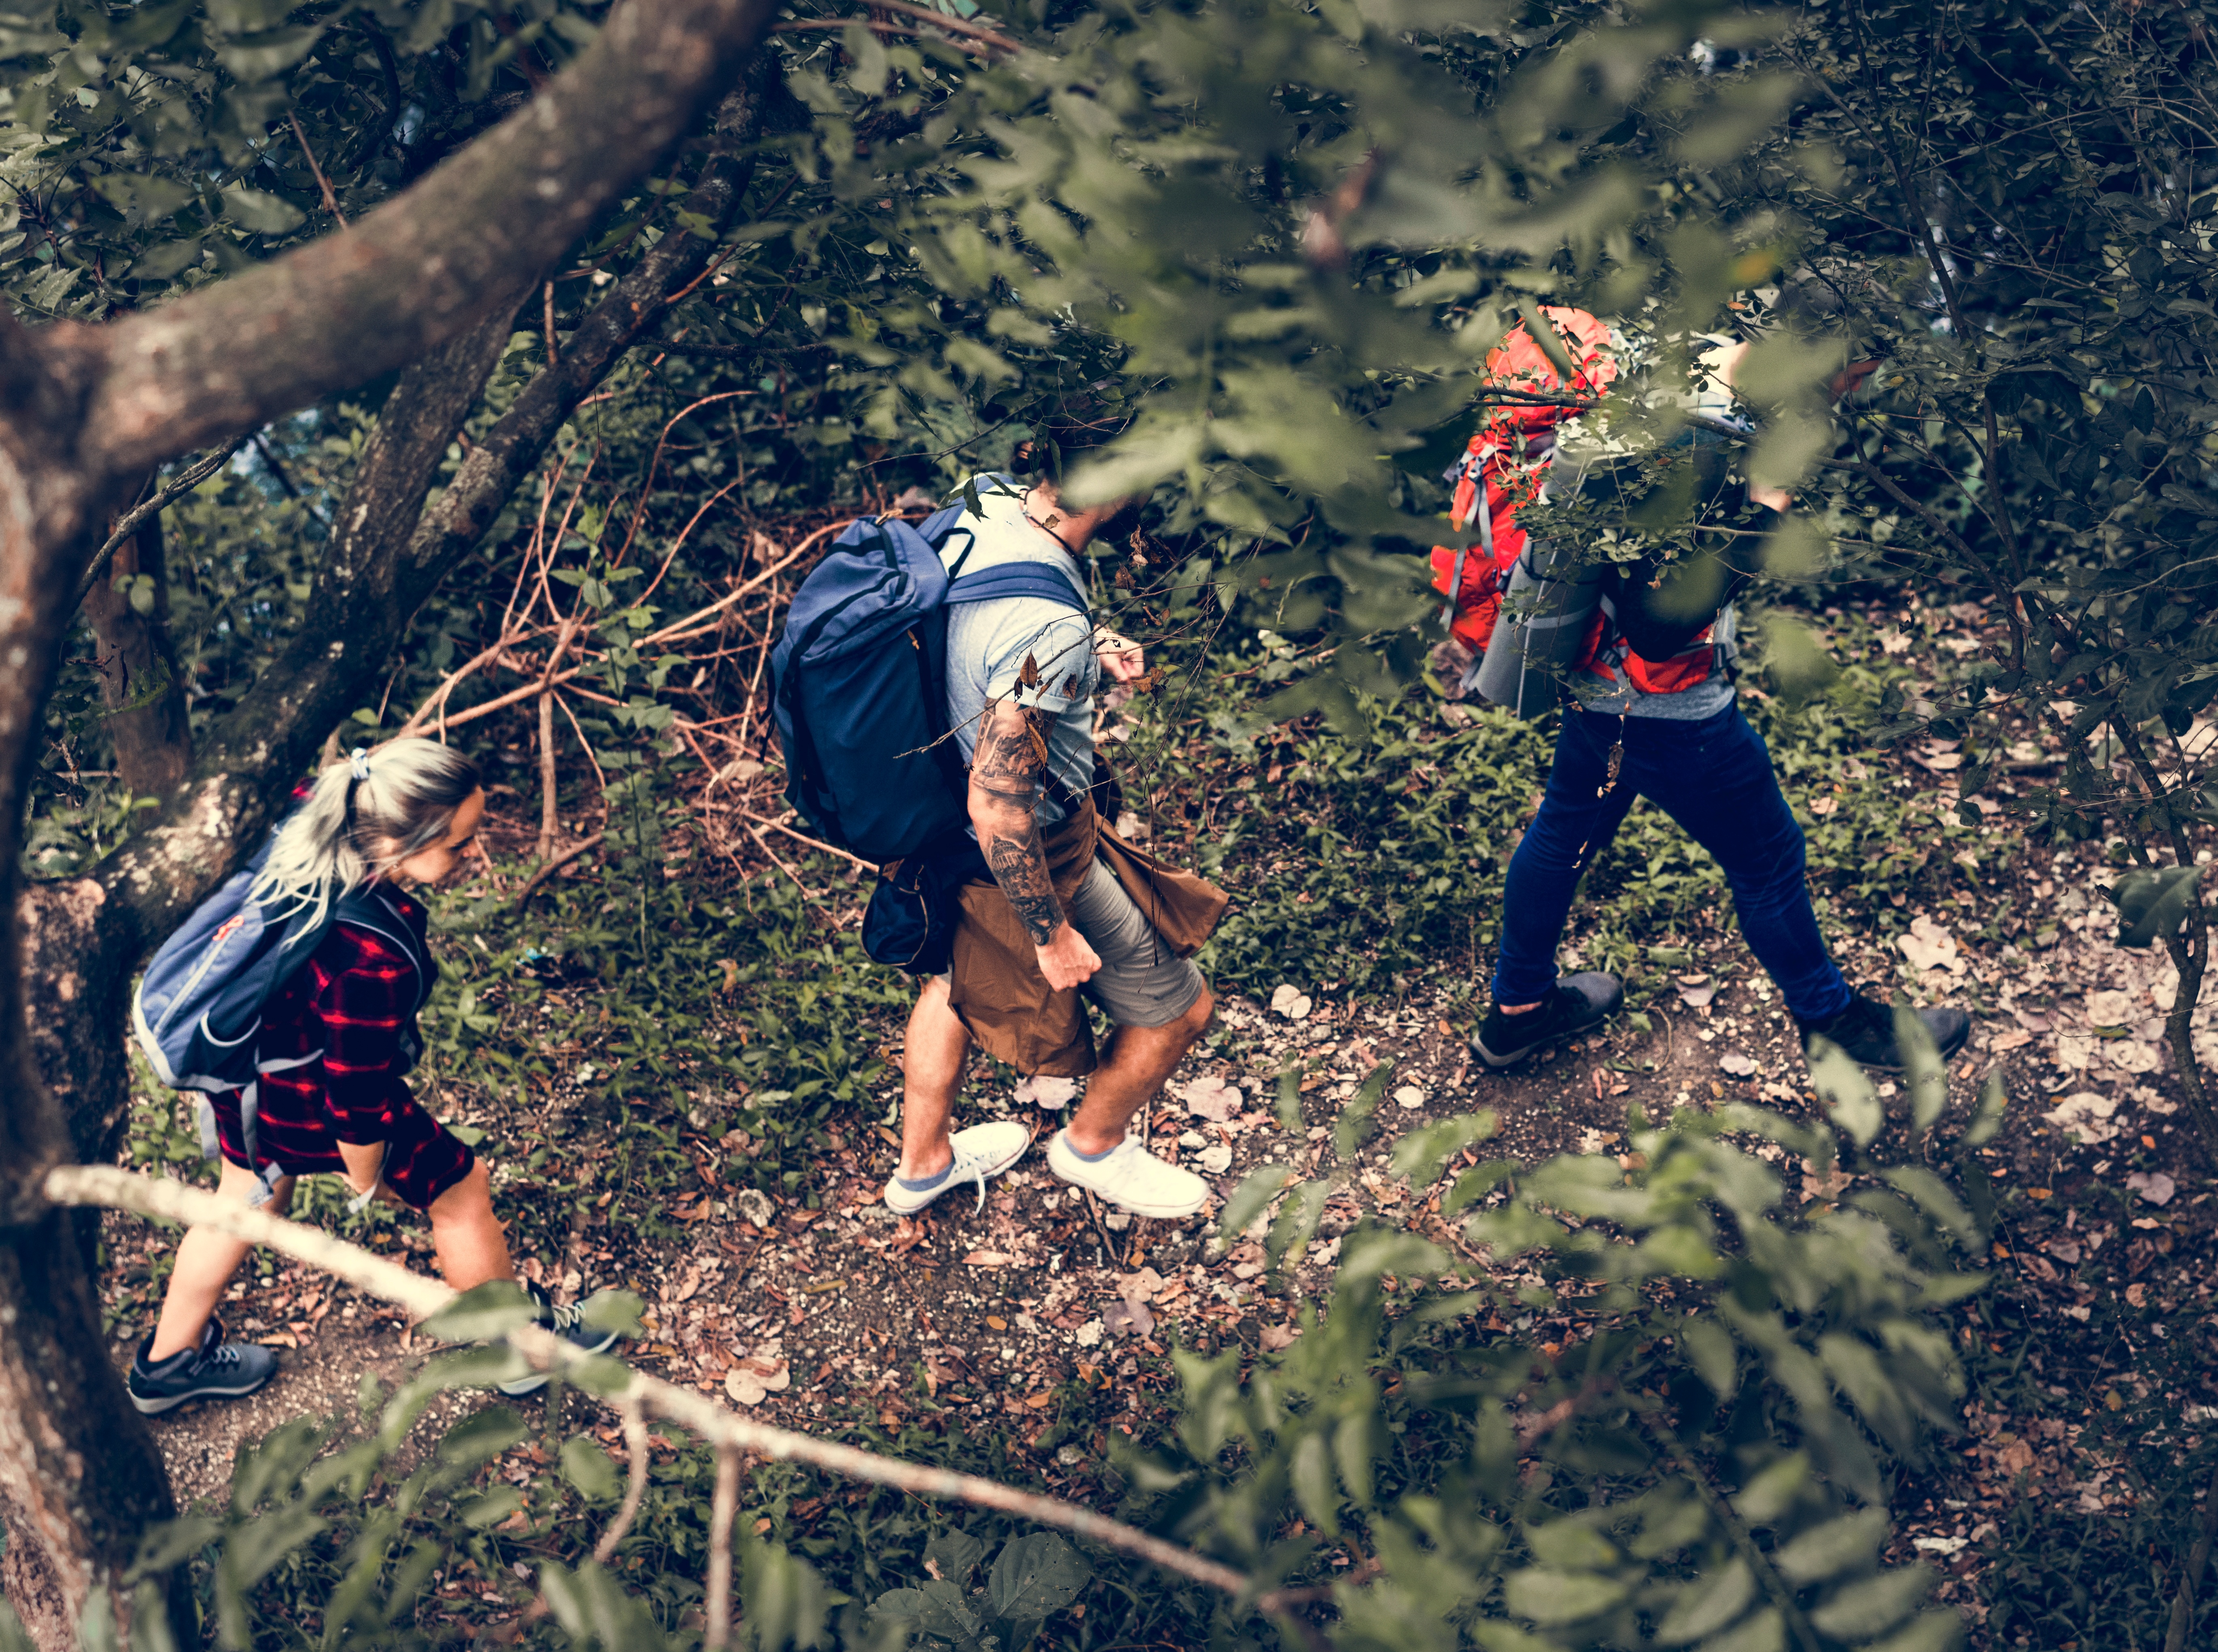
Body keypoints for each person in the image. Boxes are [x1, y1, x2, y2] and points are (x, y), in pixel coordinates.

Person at [1435, 318, 1969, 1074]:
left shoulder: (1699, 357)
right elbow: (1660, 628)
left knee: (1560, 834)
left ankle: (1517, 1012)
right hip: (1660, 704)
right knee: (1770, 858)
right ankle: (1832, 1022)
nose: (1856, 393)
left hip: (1591, 667)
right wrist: (1766, 506)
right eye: (1855, 378)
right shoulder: (1705, 443)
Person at [127, 738, 620, 1414]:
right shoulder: (367, 955)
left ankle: (166, 1367)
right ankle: (525, 1353)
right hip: (309, 1095)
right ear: (394, 842)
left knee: (243, 1198)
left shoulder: (318, 812)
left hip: (248, 1076)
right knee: (458, 1190)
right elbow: (357, 1094)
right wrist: (365, 1178)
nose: (470, 856)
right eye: (458, 844)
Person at [887, 414, 1229, 1221]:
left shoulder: (989, 502)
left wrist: (1084, 646)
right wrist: (1049, 932)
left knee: (952, 978)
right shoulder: (1047, 626)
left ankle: (922, 1164)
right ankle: (1093, 1146)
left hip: (930, 814)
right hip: (1025, 848)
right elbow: (999, 802)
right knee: (1180, 1010)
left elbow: (971, 624)